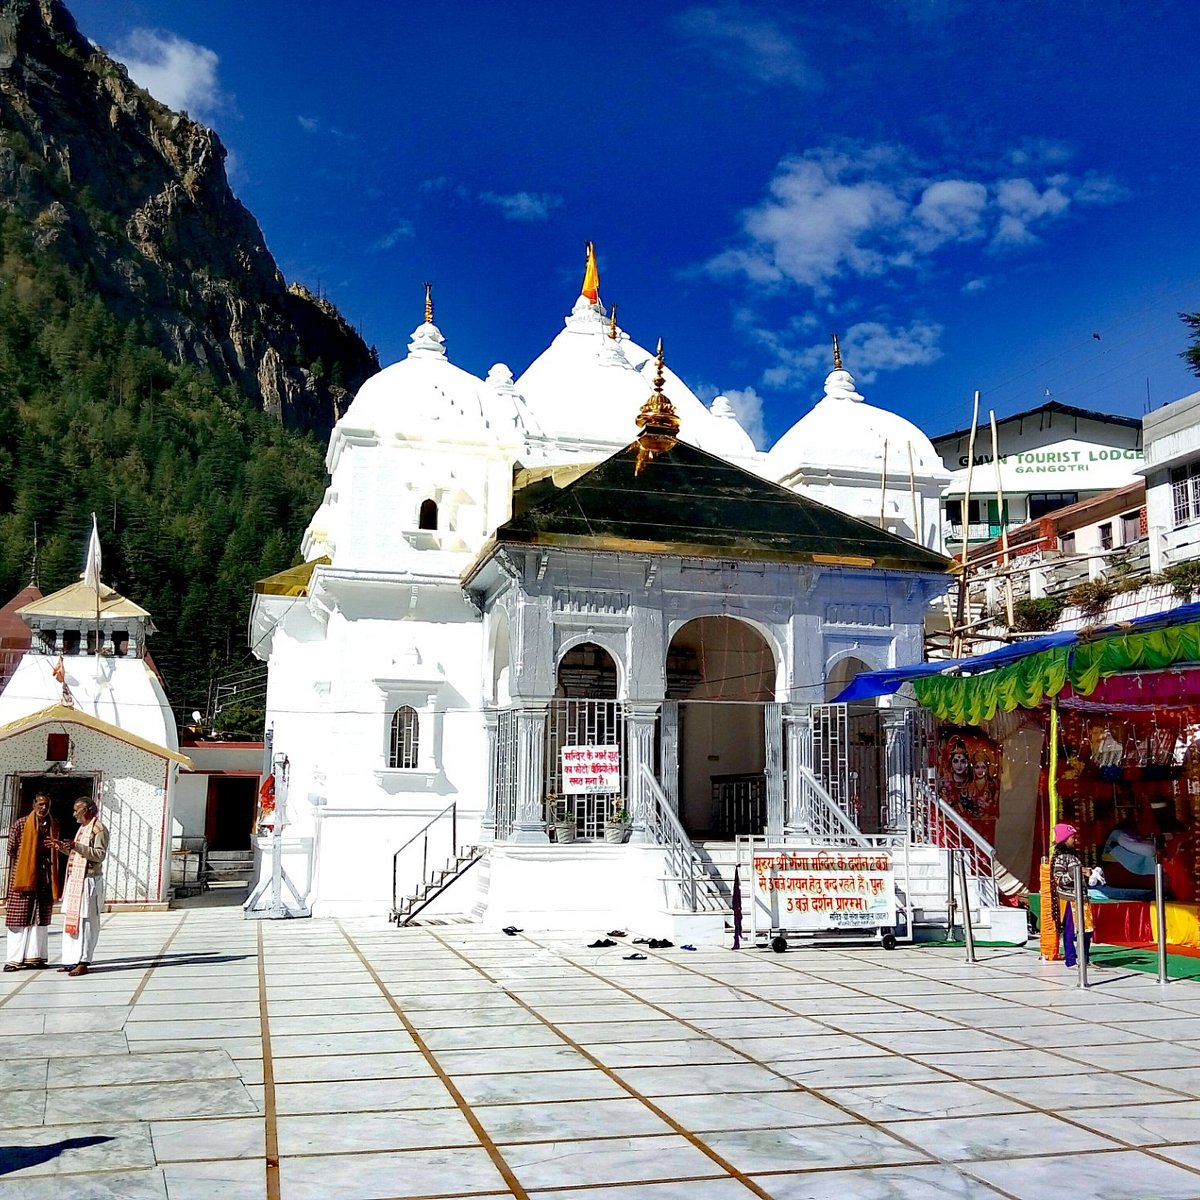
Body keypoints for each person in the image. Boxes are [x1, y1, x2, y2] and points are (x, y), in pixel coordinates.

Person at [5, 793, 59, 971]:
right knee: (18, 918)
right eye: (40, 804)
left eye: (46, 804)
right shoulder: (20, 824)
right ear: (33, 804)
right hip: (23, 876)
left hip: (44, 877)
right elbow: (11, 849)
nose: (43, 808)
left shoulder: (53, 824)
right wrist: (28, 859)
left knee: (40, 919)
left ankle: (35, 958)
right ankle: (13, 960)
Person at [56, 798, 108, 977]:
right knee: (73, 921)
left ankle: (84, 961)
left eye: (77, 810)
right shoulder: (82, 828)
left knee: (87, 922)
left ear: (87, 809)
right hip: (75, 880)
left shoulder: (98, 829)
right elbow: (77, 853)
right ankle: (71, 959)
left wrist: (76, 846)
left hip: (89, 881)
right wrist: (62, 847)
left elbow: (99, 855)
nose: (74, 813)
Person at [1050, 822, 1104, 967]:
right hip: (1069, 899)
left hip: (1082, 898)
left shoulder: (1074, 856)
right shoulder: (1060, 858)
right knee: (1070, 930)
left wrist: (1088, 873)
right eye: (1072, 837)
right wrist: (1077, 872)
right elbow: (1060, 879)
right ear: (1065, 839)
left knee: (1086, 930)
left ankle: (1084, 959)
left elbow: (1077, 874)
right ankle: (1070, 960)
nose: (1075, 840)